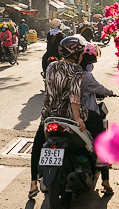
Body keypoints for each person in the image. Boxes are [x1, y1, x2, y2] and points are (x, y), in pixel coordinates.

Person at [29, 35, 88, 199]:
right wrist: (77, 117)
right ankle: (97, 165)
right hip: (68, 116)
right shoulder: (77, 70)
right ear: (75, 54)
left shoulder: (50, 67)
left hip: (48, 115)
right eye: (81, 53)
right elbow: (75, 96)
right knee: (90, 132)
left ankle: (33, 182)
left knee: (37, 144)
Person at [79, 42, 115, 195]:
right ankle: (105, 181)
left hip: (63, 114)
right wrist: (111, 92)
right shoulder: (86, 76)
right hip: (84, 113)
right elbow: (100, 88)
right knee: (102, 137)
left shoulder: (62, 71)